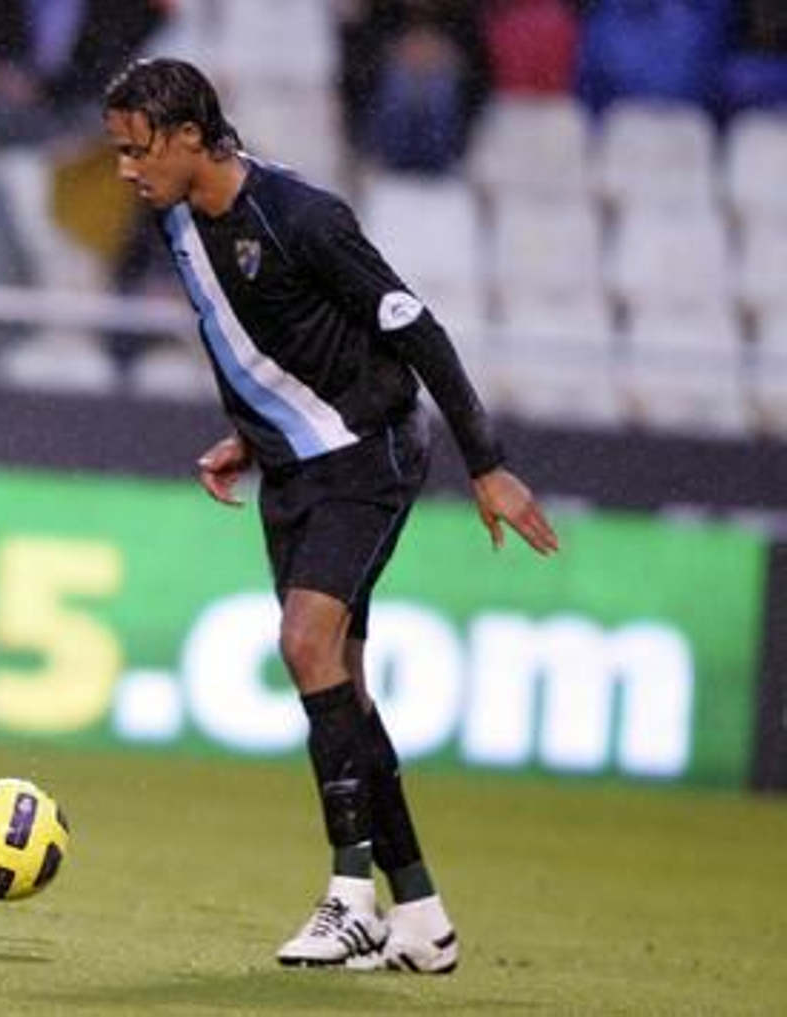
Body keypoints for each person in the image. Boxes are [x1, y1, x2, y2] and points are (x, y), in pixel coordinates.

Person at [101, 58, 558, 974]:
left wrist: (490, 465)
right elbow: (233, 326)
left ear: (191, 137)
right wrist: (248, 428)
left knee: (307, 644)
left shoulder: (304, 217)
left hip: (369, 451)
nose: (123, 167)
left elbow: (417, 330)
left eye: (135, 147)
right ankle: (421, 916)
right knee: (341, 687)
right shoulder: (175, 213)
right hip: (291, 466)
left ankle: (351, 897)